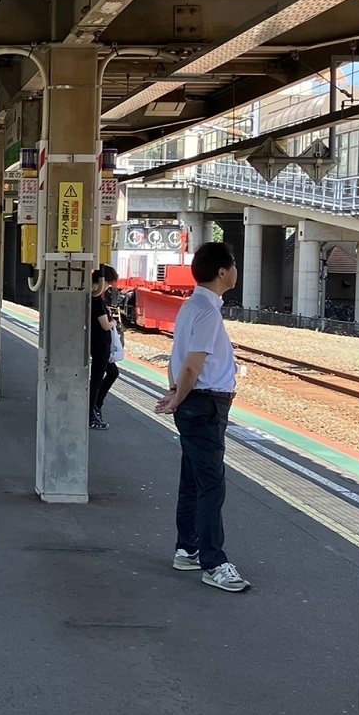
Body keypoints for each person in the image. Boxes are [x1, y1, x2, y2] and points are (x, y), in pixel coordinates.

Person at [154, 242, 249, 593]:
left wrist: (175, 392)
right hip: (205, 404)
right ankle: (214, 561)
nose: (236, 270)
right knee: (212, 485)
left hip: (196, 402)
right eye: (234, 264)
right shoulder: (208, 313)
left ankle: (188, 548)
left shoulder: (191, 306)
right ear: (223, 272)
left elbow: (176, 359)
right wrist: (179, 397)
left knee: (193, 480)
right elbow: (194, 363)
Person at [89, 267, 120, 429]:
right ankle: (91, 413)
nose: (109, 286)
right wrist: (113, 323)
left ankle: (96, 406)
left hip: (98, 345)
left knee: (112, 372)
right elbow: (105, 325)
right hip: (100, 345)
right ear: (103, 281)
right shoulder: (96, 300)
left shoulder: (91, 297)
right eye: (109, 283)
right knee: (96, 380)